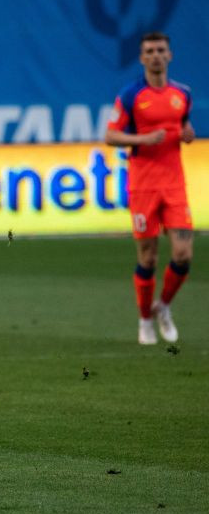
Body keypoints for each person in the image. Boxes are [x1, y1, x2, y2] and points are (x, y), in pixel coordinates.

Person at [105, 32, 196, 345]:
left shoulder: (182, 94)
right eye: (149, 51)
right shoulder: (131, 96)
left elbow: (182, 125)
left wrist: (186, 133)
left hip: (174, 185)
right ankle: (145, 319)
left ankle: (164, 307)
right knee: (148, 259)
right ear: (142, 58)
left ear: (169, 55)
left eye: (161, 50)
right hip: (143, 185)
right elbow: (111, 136)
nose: (156, 55)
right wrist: (142, 139)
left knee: (183, 254)